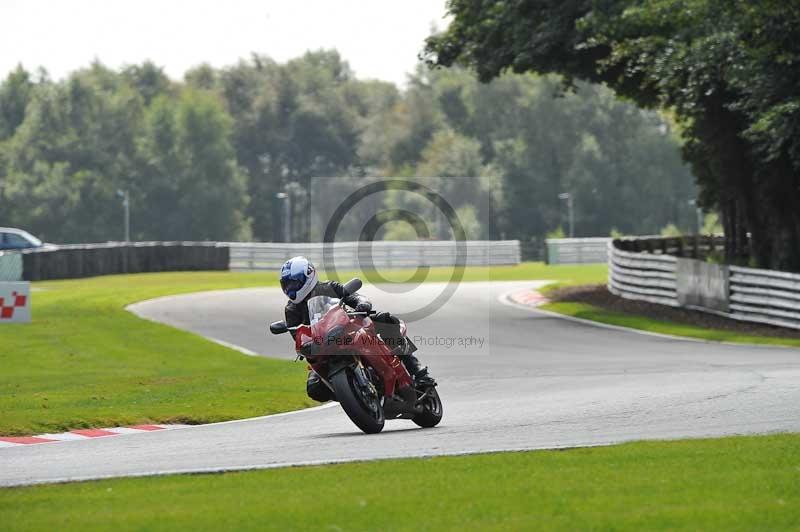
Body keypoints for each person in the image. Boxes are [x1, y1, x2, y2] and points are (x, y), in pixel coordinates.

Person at [280, 256, 434, 402]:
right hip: (323, 346)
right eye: (286, 285)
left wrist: (362, 304)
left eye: (294, 283)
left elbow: (354, 296)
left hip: (348, 327)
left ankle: (416, 369)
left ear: (308, 275)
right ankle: (353, 394)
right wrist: (305, 345)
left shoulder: (328, 287)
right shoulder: (291, 310)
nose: (291, 288)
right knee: (314, 388)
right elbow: (299, 336)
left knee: (388, 322)